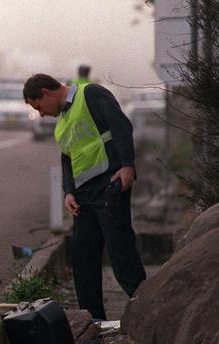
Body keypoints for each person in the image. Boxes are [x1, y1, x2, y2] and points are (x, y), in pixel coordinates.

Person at [22, 74, 146, 320]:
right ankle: (94, 322)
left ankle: (148, 311)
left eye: (39, 107)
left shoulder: (90, 94)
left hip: (110, 186)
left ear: (46, 92)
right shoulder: (62, 124)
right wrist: (68, 191)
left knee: (121, 255)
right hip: (84, 197)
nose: (42, 114)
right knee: (83, 261)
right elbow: (67, 159)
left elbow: (121, 127)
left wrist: (127, 166)